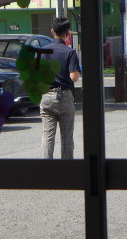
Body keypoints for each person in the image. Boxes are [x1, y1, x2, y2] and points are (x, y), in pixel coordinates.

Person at [40, 17, 81, 159]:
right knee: (67, 138)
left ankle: (46, 172)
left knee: (48, 137)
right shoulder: (70, 52)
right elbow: (74, 77)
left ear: (52, 31)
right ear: (67, 33)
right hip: (64, 95)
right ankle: (67, 173)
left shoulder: (42, 52)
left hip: (46, 96)